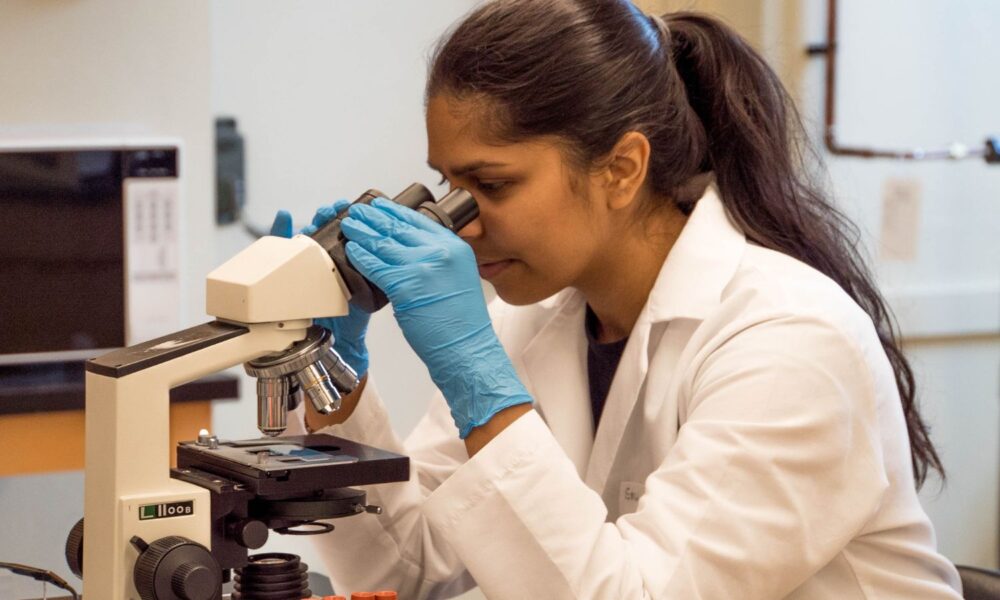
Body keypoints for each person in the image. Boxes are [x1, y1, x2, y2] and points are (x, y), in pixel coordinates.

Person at [270, 1, 962, 597]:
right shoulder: (532, 320)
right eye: (447, 184)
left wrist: (477, 382)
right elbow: (408, 568)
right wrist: (333, 380)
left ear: (623, 168)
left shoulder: (789, 338)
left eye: (493, 184)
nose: (459, 221)